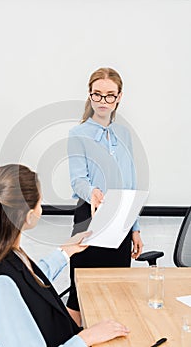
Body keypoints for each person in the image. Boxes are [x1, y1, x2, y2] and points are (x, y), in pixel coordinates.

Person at [0, 164, 130, 346]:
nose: (42, 208)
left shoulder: (6, 256)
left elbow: (29, 280)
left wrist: (66, 250)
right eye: (40, 203)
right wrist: (86, 338)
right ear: (29, 216)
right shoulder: (0, 286)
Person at [67, 67, 143, 325]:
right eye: (97, 95)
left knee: (117, 288)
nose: (103, 101)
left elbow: (131, 182)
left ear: (119, 97)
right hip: (89, 218)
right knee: (80, 294)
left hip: (120, 219)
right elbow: (77, 179)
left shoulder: (124, 135)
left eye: (109, 95)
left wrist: (135, 228)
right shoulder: (77, 134)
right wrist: (93, 193)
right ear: (89, 96)